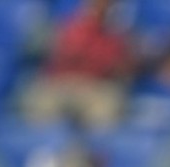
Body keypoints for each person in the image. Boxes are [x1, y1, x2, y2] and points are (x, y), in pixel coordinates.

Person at [20, 0, 135, 129]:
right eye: (96, 5)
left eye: (108, 6)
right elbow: (67, 55)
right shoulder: (70, 25)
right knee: (38, 105)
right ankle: (43, 145)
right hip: (60, 82)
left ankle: (93, 147)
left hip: (96, 86)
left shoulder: (117, 35)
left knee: (105, 110)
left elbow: (118, 67)